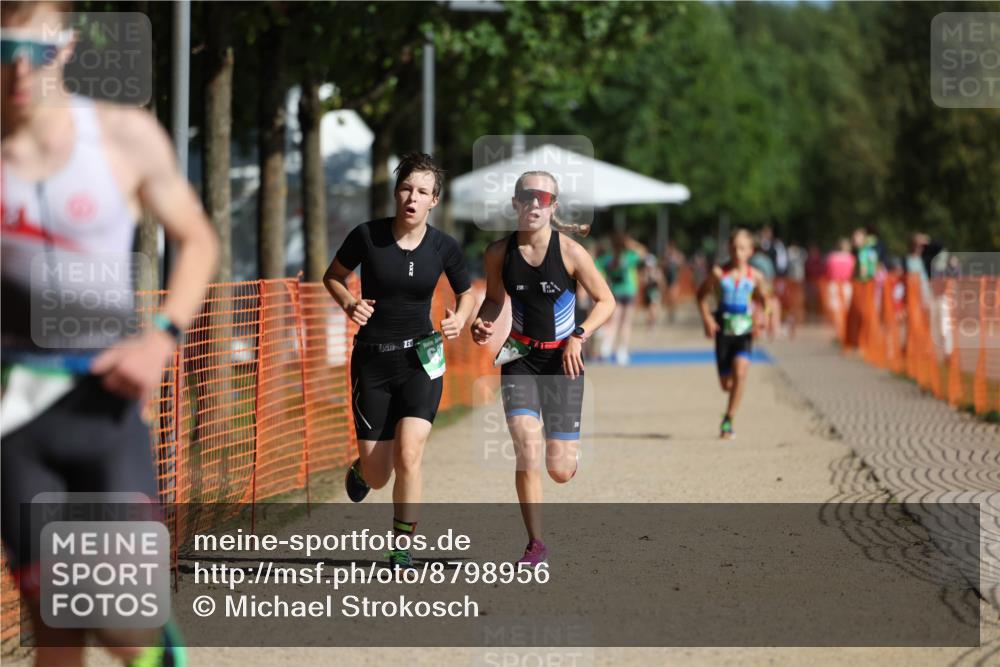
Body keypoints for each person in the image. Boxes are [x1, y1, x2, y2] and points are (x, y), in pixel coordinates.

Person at [1, 2, 220, 665]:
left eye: (36, 52)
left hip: (105, 408)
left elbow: (198, 240)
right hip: (15, 416)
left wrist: (159, 338)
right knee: (56, 619)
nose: (18, 70)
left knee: (121, 624)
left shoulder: (123, 135)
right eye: (2, 51)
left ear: (66, 48)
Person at [323, 152, 475, 569]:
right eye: (406, 188)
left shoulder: (443, 246)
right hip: (372, 362)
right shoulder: (367, 236)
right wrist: (349, 303)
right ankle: (362, 470)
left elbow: (467, 293)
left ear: (434, 201)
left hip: (421, 360)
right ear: (395, 192)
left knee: (409, 454)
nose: (412, 197)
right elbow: (332, 276)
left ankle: (401, 547)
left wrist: (460, 319)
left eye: (422, 192)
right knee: (379, 475)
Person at [470, 170, 615, 565]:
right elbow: (494, 301)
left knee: (560, 470)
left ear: (553, 206)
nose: (535, 203)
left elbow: (606, 301)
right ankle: (535, 543)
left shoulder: (570, 252)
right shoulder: (498, 253)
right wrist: (482, 322)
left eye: (544, 197)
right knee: (526, 448)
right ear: (515, 203)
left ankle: (568, 454)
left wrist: (579, 335)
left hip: (562, 362)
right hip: (520, 359)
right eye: (528, 196)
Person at [696, 229, 769, 440]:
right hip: (723, 332)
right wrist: (707, 319)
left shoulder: (756, 276)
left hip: (744, 332)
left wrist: (762, 318)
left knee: (741, 372)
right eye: (734, 248)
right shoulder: (719, 273)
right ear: (729, 248)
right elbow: (700, 296)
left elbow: (765, 300)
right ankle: (730, 402)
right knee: (726, 384)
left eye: (743, 248)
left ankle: (728, 419)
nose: (738, 252)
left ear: (751, 251)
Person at [596, 231, 644, 365]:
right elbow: (643, 252)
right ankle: (621, 352)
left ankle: (606, 349)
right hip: (628, 291)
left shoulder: (607, 258)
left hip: (616, 292)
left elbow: (596, 266)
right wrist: (632, 244)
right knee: (625, 323)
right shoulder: (629, 256)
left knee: (613, 322)